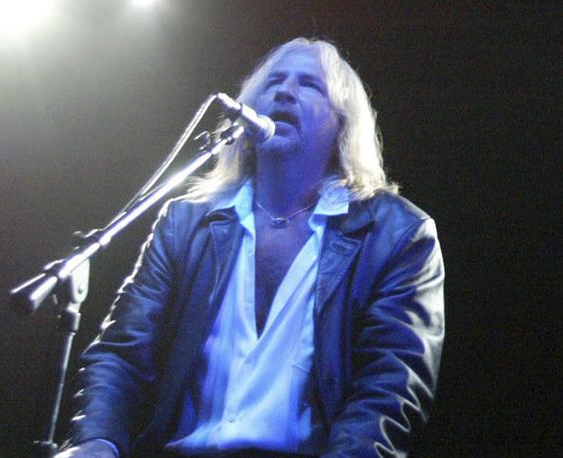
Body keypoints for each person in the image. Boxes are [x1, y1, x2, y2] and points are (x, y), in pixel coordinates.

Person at [58, 37, 444, 458]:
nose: (284, 91)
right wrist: (97, 441)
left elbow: (389, 387)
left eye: (309, 84)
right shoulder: (187, 223)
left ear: (342, 123)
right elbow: (123, 354)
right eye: (274, 80)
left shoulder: (398, 234)